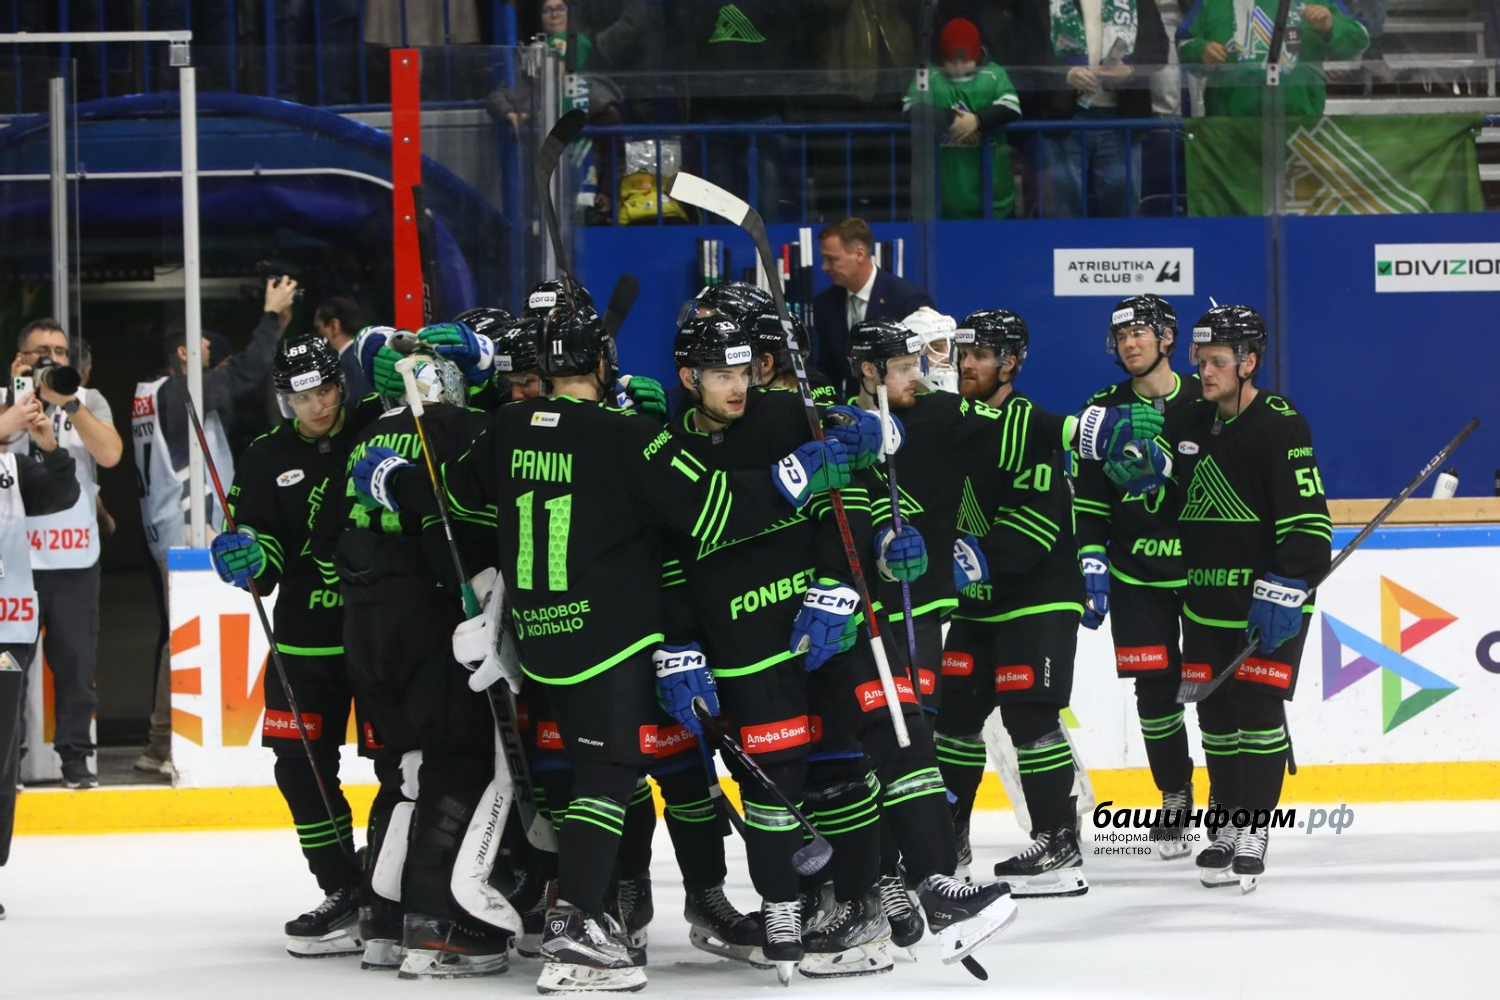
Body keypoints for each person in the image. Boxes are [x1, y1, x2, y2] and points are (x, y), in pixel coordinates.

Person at [360, 301, 869, 993]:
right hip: (607, 637)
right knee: (608, 776)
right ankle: (577, 929)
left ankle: (587, 917)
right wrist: (797, 476)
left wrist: (389, 479)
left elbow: (453, 496)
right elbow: (714, 509)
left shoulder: (510, 425)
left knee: (589, 780)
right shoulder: (627, 436)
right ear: (602, 362)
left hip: (539, 641)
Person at [208, 337, 372, 957]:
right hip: (304, 644)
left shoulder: (376, 426)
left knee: (404, 765)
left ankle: (394, 886)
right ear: (285, 400)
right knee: (299, 767)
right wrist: (247, 555)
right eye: (303, 397)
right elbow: (262, 551)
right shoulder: (263, 457)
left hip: (381, 635)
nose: (318, 405)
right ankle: (342, 887)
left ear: (341, 384)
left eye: (325, 390)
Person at [1161, 305, 1331, 891]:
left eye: (1216, 361)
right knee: (1214, 716)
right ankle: (1227, 825)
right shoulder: (1187, 417)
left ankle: (1254, 829)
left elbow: (1310, 522)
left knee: (1257, 713)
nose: (1204, 372)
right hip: (1204, 601)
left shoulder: (1281, 424)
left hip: (1269, 601)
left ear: (1249, 361)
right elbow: (1166, 493)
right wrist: (1143, 472)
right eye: (1200, 360)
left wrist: (1289, 586)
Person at [132, 275, 297, 777]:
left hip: (169, 527)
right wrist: (270, 315)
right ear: (184, 352)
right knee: (184, 638)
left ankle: (158, 744)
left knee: (177, 633)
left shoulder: (151, 393)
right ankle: (165, 744)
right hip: (190, 529)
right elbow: (245, 373)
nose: (212, 354)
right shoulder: (178, 392)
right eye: (205, 345)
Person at [1072, 295, 1202, 859]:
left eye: (1139, 333)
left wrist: (1170, 467)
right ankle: (1175, 793)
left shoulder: (1206, 397)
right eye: (1121, 336)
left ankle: (1231, 800)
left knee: (1217, 691)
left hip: (1204, 572)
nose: (1129, 344)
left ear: (1167, 338)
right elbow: (1088, 500)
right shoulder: (1099, 410)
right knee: (1154, 692)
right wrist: (1092, 558)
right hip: (1136, 574)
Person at [10, 319, 122, 789]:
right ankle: (8, 763)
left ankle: (76, 762)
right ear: (21, 358)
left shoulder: (87, 399)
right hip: (14, 564)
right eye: (41, 352)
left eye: (59, 352)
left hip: (74, 558)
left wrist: (70, 402)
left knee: (76, 667)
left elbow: (110, 455)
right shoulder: (7, 398)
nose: (52, 359)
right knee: (9, 669)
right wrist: (17, 396)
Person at [0, 384, 81, 918]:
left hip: (6, 629)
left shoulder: (13, 467)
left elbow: (60, 496)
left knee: (1, 754)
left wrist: (50, 448)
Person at [1007, 0, 1169, 218]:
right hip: (1061, 118)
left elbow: (1157, 47)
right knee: (1062, 211)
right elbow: (1025, 48)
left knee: (1122, 212)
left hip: (1122, 120)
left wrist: (1130, 70)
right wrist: (1066, 73)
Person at [903, 17, 1022, 220]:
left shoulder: (994, 74)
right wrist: (952, 120)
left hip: (993, 203)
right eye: (952, 60)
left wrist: (976, 121)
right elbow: (910, 108)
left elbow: (1012, 107)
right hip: (942, 203)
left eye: (965, 60)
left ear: (977, 54)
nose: (959, 67)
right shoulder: (928, 75)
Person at [1178, 1, 1369, 117]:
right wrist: (1200, 50)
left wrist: (1330, 24)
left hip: (1299, 124)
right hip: (1229, 131)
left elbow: (1360, 38)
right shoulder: (1211, 2)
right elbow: (1184, 43)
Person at [812, 218, 934, 396]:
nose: (825, 267)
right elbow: (828, 370)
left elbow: (925, 366)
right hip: (853, 406)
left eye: (832, 259)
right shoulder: (825, 304)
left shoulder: (908, 301)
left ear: (859, 254)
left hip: (902, 404)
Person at [314, 296, 370, 401]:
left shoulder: (344, 367)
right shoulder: (368, 354)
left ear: (334, 326)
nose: (319, 335)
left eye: (319, 328)